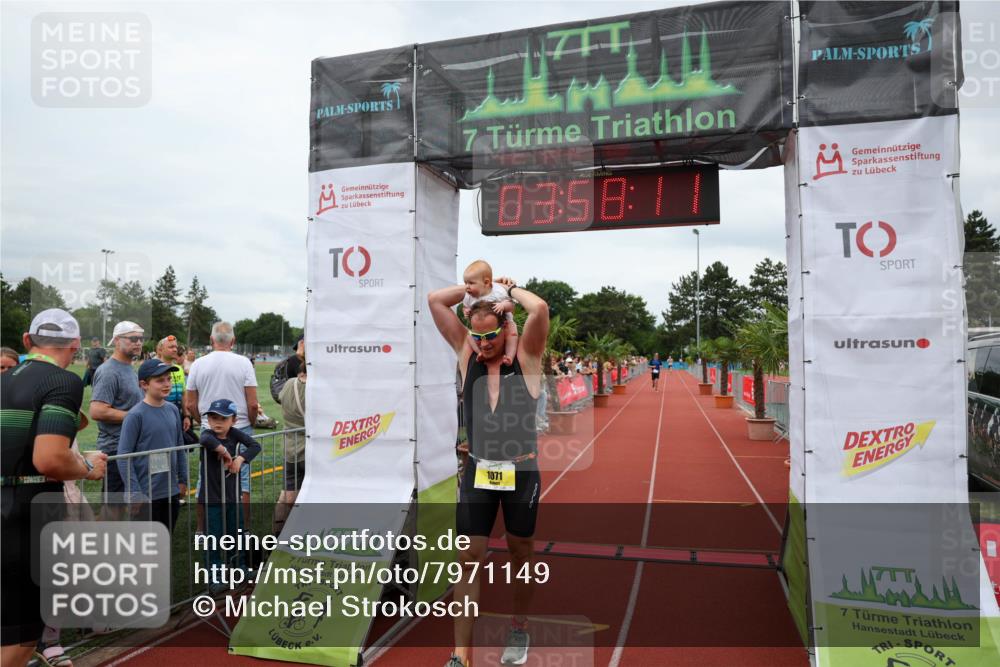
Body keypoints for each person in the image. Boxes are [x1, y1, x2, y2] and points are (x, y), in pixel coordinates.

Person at [429, 277, 549, 667]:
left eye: (491, 336)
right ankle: (460, 655)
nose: (483, 344)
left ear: (505, 327)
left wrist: (507, 291)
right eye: (476, 337)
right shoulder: (467, 357)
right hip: (479, 469)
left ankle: (519, 627)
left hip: (521, 471)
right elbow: (435, 301)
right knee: (469, 557)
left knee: (521, 553)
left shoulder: (527, 356)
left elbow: (541, 310)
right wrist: (477, 290)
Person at [1, 309, 107, 666]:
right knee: (20, 639)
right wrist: (87, 467)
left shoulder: (4, 379)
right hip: (25, 518)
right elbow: (49, 459)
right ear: (75, 346)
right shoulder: (62, 382)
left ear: (28, 341)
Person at [185, 322, 258, 526]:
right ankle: (242, 530)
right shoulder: (244, 363)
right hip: (240, 427)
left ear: (211, 340)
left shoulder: (198, 364)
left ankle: (202, 530)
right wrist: (249, 423)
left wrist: (206, 423)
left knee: (205, 481)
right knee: (242, 481)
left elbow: (190, 404)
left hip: (210, 430)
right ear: (233, 341)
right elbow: (252, 403)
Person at [116, 359, 190, 530]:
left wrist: (183, 479)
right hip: (146, 494)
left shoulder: (172, 410)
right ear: (144, 384)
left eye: (168, 379)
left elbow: (179, 446)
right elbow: (123, 456)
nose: (166, 384)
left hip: (170, 491)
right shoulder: (135, 416)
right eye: (159, 380)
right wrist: (135, 492)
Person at [198, 399, 261, 595]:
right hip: (212, 499)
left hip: (233, 496)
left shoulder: (234, 433)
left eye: (223, 418)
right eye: (213, 417)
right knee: (214, 539)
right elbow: (205, 440)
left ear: (233, 420)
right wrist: (225, 452)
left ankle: (240, 568)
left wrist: (241, 458)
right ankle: (214, 578)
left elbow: (254, 445)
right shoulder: (208, 434)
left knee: (238, 533)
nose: (217, 422)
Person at [90, 321, 145, 500]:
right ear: (116, 341)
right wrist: (137, 417)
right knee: (114, 508)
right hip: (116, 449)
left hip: (131, 446)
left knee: (132, 503)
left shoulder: (129, 368)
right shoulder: (108, 371)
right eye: (133, 338)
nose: (138, 342)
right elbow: (97, 411)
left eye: (140, 338)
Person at [274, 344, 306, 534]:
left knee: (287, 495)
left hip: (290, 447)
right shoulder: (317, 388)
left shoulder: (288, 384)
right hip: (310, 449)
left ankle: (275, 536)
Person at [461, 260, 518, 366]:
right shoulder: (469, 296)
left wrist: (503, 305)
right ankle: (480, 353)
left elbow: (511, 305)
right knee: (469, 336)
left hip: (506, 323)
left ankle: (510, 356)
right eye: (465, 283)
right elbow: (465, 307)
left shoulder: (498, 291)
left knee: (512, 335)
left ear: (487, 282)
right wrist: (466, 311)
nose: (466, 287)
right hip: (480, 329)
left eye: (471, 283)